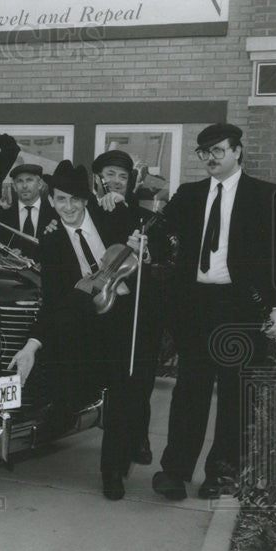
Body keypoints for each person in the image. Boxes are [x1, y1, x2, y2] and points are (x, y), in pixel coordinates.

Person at [152, 123, 276, 501]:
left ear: (237, 151)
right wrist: (119, 203)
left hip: (241, 306)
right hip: (195, 305)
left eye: (217, 150)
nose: (209, 158)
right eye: (204, 152)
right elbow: (156, 231)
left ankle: (222, 472)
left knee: (235, 394)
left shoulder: (265, 195)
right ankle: (174, 471)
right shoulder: (190, 194)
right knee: (190, 390)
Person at [8, 160, 148, 501]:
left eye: (74, 199)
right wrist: (31, 345)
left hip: (126, 317)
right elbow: (54, 302)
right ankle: (62, 409)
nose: (68, 207)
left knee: (125, 393)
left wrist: (143, 248)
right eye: (60, 200)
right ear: (51, 200)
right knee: (77, 381)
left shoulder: (112, 215)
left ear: (86, 200)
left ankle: (112, 472)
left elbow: (143, 243)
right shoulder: (52, 240)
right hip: (85, 324)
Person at [91, 148, 176, 466]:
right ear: (98, 179)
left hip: (140, 310)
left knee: (138, 378)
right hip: (103, 308)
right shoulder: (87, 213)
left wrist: (125, 212)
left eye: (122, 176)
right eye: (109, 174)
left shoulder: (144, 217)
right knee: (112, 377)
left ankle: (137, 436)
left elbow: (159, 252)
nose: (115, 181)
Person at [0, 163, 55, 261]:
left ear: (39, 184)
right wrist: (7, 256)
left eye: (29, 180)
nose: (24, 186)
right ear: (14, 186)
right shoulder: (3, 216)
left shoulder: (54, 215)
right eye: (19, 181)